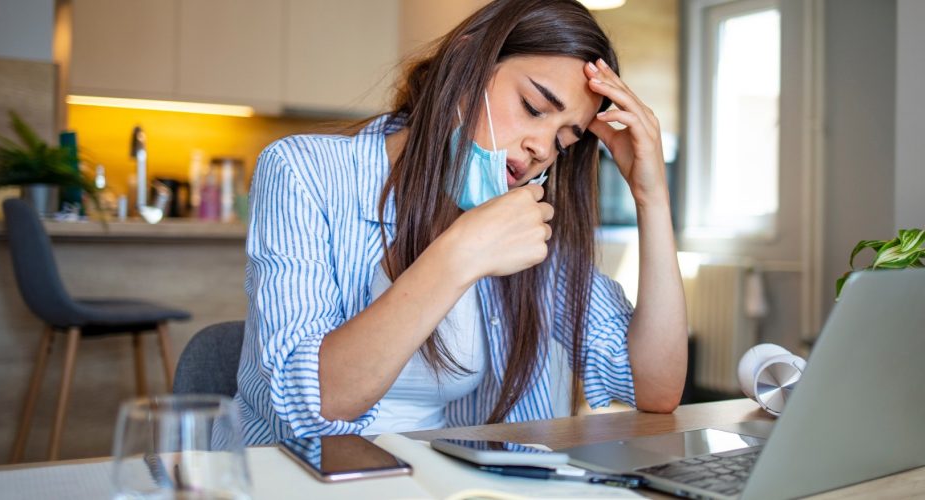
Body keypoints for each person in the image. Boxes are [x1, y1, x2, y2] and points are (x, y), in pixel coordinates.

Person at [233, 0, 688, 444]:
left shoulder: (528, 223)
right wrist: (460, 253)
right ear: (467, 62)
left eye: (564, 141)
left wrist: (652, 197)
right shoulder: (302, 171)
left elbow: (654, 388)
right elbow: (315, 400)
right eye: (533, 107)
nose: (542, 149)